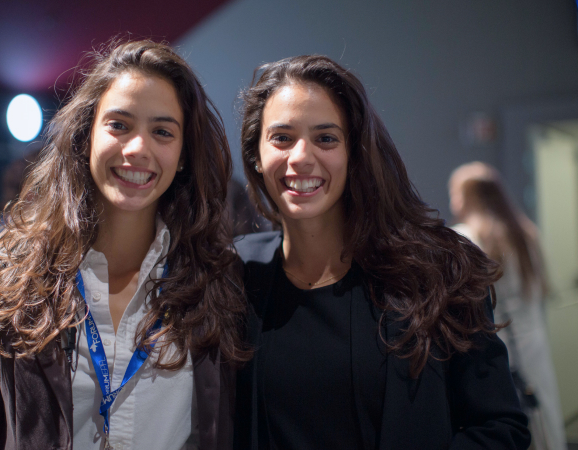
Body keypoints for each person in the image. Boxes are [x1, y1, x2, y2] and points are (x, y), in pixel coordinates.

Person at [0, 40, 249, 450]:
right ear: (86, 135)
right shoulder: (1, 281)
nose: (138, 148)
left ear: (183, 155)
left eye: (162, 131)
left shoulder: (220, 281)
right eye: (119, 125)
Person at [232, 55, 530, 449]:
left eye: (326, 138)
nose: (301, 157)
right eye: (282, 137)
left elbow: (500, 428)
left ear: (355, 152)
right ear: (256, 154)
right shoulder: (236, 273)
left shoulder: (437, 272)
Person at [449, 162, 567, 450]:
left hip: (494, 349)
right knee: (543, 424)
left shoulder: (465, 239)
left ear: (465, 196)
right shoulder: (526, 234)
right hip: (534, 348)